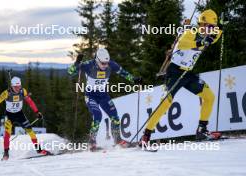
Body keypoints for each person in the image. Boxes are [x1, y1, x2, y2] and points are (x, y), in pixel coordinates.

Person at [140, 9, 223, 145]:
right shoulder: (191, 32)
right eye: (209, 26)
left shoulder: (210, 34)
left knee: (209, 96)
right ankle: (146, 135)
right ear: (202, 24)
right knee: (165, 103)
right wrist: (202, 43)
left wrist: (220, 28)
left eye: (212, 27)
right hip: (174, 71)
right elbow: (184, 44)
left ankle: (202, 130)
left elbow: (217, 35)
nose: (211, 29)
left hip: (188, 74)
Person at [68, 48, 142, 151]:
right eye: (103, 63)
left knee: (115, 117)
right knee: (98, 115)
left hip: (103, 95)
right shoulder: (89, 65)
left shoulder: (111, 64)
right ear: (97, 60)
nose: (105, 65)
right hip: (90, 96)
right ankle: (92, 142)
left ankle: (118, 140)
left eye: (106, 63)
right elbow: (70, 72)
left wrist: (134, 79)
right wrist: (77, 63)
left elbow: (123, 73)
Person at [0, 76, 48, 160]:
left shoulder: (23, 91)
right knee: (7, 134)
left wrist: (37, 112)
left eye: (19, 86)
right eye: (16, 87)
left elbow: (30, 102)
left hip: (20, 114)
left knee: (31, 131)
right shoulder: (6, 93)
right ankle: (6, 153)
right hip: (9, 115)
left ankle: (39, 150)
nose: (18, 88)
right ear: (12, 86)